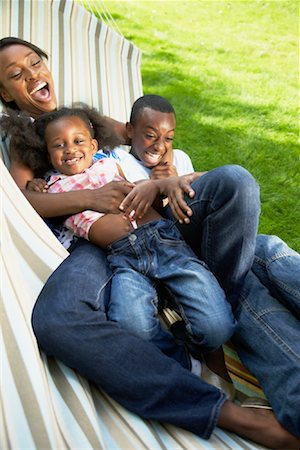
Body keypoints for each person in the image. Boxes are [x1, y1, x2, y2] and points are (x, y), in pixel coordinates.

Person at [1, 37, 299, 448]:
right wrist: (88, 198)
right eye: (16, 74)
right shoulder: (23, 136)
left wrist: (166, 173)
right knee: (56, 319)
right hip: (93, 241)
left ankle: (216, 310)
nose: (33, 74)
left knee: (234, 182)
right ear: (4, 93)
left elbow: (145, 133)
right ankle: (222, 407)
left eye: (36, 63)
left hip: (153, 216)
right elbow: (26, 202)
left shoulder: (83, 119)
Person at [2, 106, 236, 369]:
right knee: (133, 327)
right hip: (122, 258)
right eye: (59, 145)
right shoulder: (50, 188)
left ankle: (197, 337)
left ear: (93, 145)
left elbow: (143, 189)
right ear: (48, 155)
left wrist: (160, 185)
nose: (70, 149)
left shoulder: (107, 163)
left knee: (218, 328)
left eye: (78, 141)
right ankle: (181, 358)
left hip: (162, 242)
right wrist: (34, 185)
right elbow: (23, 201)